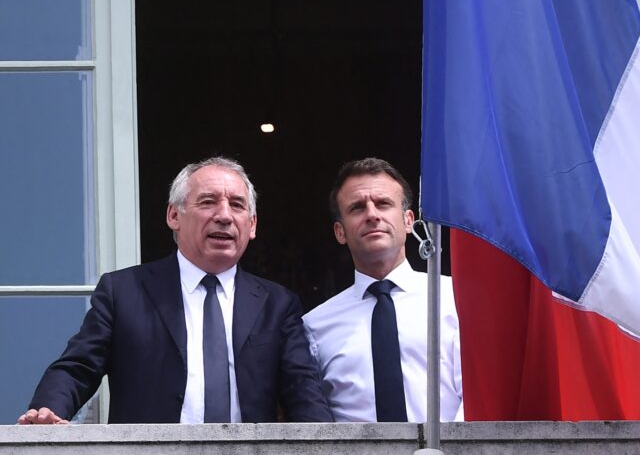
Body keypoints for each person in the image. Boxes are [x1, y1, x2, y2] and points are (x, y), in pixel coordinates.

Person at [18, 156, 332, 425]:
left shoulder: (278, 304)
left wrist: (326, 444)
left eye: (237, 205)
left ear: (251, 225)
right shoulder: (124, 292)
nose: (224, 215)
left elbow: (302, 389)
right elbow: (77, 368)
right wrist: (48, 412)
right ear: (173, 216)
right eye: (208, 201)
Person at [303, 157, 463, 422]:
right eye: (357, 208)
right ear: (340, 232)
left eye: (383, 204)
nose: (372, 214)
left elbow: (479, 395)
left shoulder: (455, 298)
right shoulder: (314, 326)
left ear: (408, 220)